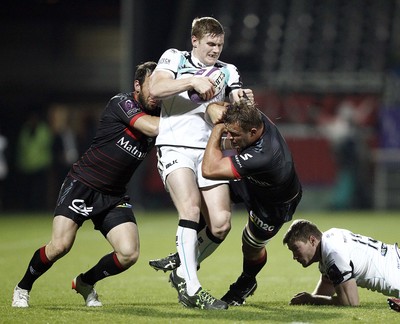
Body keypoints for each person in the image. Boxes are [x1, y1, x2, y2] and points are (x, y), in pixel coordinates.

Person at [11, 61, 161, 308]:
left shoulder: (163, 113)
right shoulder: (122, 103)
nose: (157, 94)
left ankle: (85, 282)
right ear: (137, 85)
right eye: (153, 86)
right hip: (83, 183)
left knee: (128, 254)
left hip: (113, 195)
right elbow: (150, 127)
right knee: (60, 246)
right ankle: (23, 287)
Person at [149, 98, 302, 306]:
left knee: (251, 246)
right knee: (213, 211)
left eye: (235, 135)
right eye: (229, 132)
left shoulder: (266, 155)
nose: (230, 138)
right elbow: (221, 103)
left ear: (254, 132)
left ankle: (246, 282)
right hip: (250, 181)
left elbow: (209, 169)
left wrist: (218, 128)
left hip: (273, 203)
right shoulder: (249, 118)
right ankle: (187, 258)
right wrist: (213, 107)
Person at [149, 16, 253, 310]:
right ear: (194, 41)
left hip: (210, 151)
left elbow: (236, 101)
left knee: (220, 224)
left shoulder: (227, 70)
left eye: (219, 44)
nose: (215, 49)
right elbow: (156, 89)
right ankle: (192, 288)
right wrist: (192, 80)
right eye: (210, 43)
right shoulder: (174, 58)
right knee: (191, 210)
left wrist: (244, 101)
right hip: (175, 147)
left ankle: (182, 269)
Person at [282, 219, 400, 312]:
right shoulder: (330, 238)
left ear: (312, 240)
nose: (294, 256)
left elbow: (350, 302)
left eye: (296, 249)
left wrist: (311, 299)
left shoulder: (333, 253)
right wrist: (310, 299)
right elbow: (328, 285)